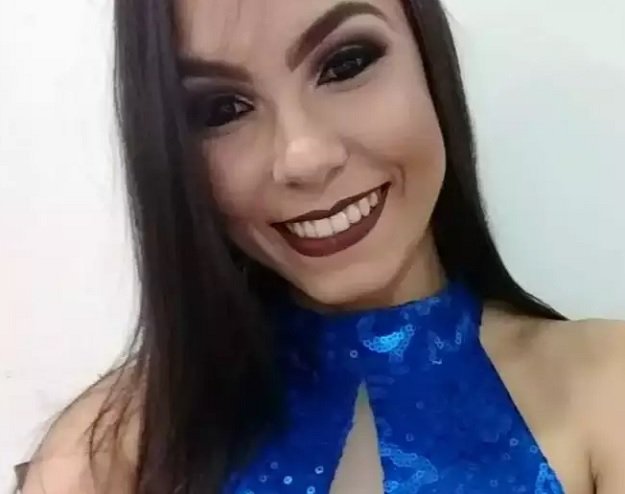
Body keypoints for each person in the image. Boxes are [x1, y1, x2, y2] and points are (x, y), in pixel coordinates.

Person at [18, 0, 625, 493]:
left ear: (428, 58)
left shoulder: (606, 390)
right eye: (223, 108)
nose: (303, 156)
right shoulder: (106, 450)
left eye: (345, 63)